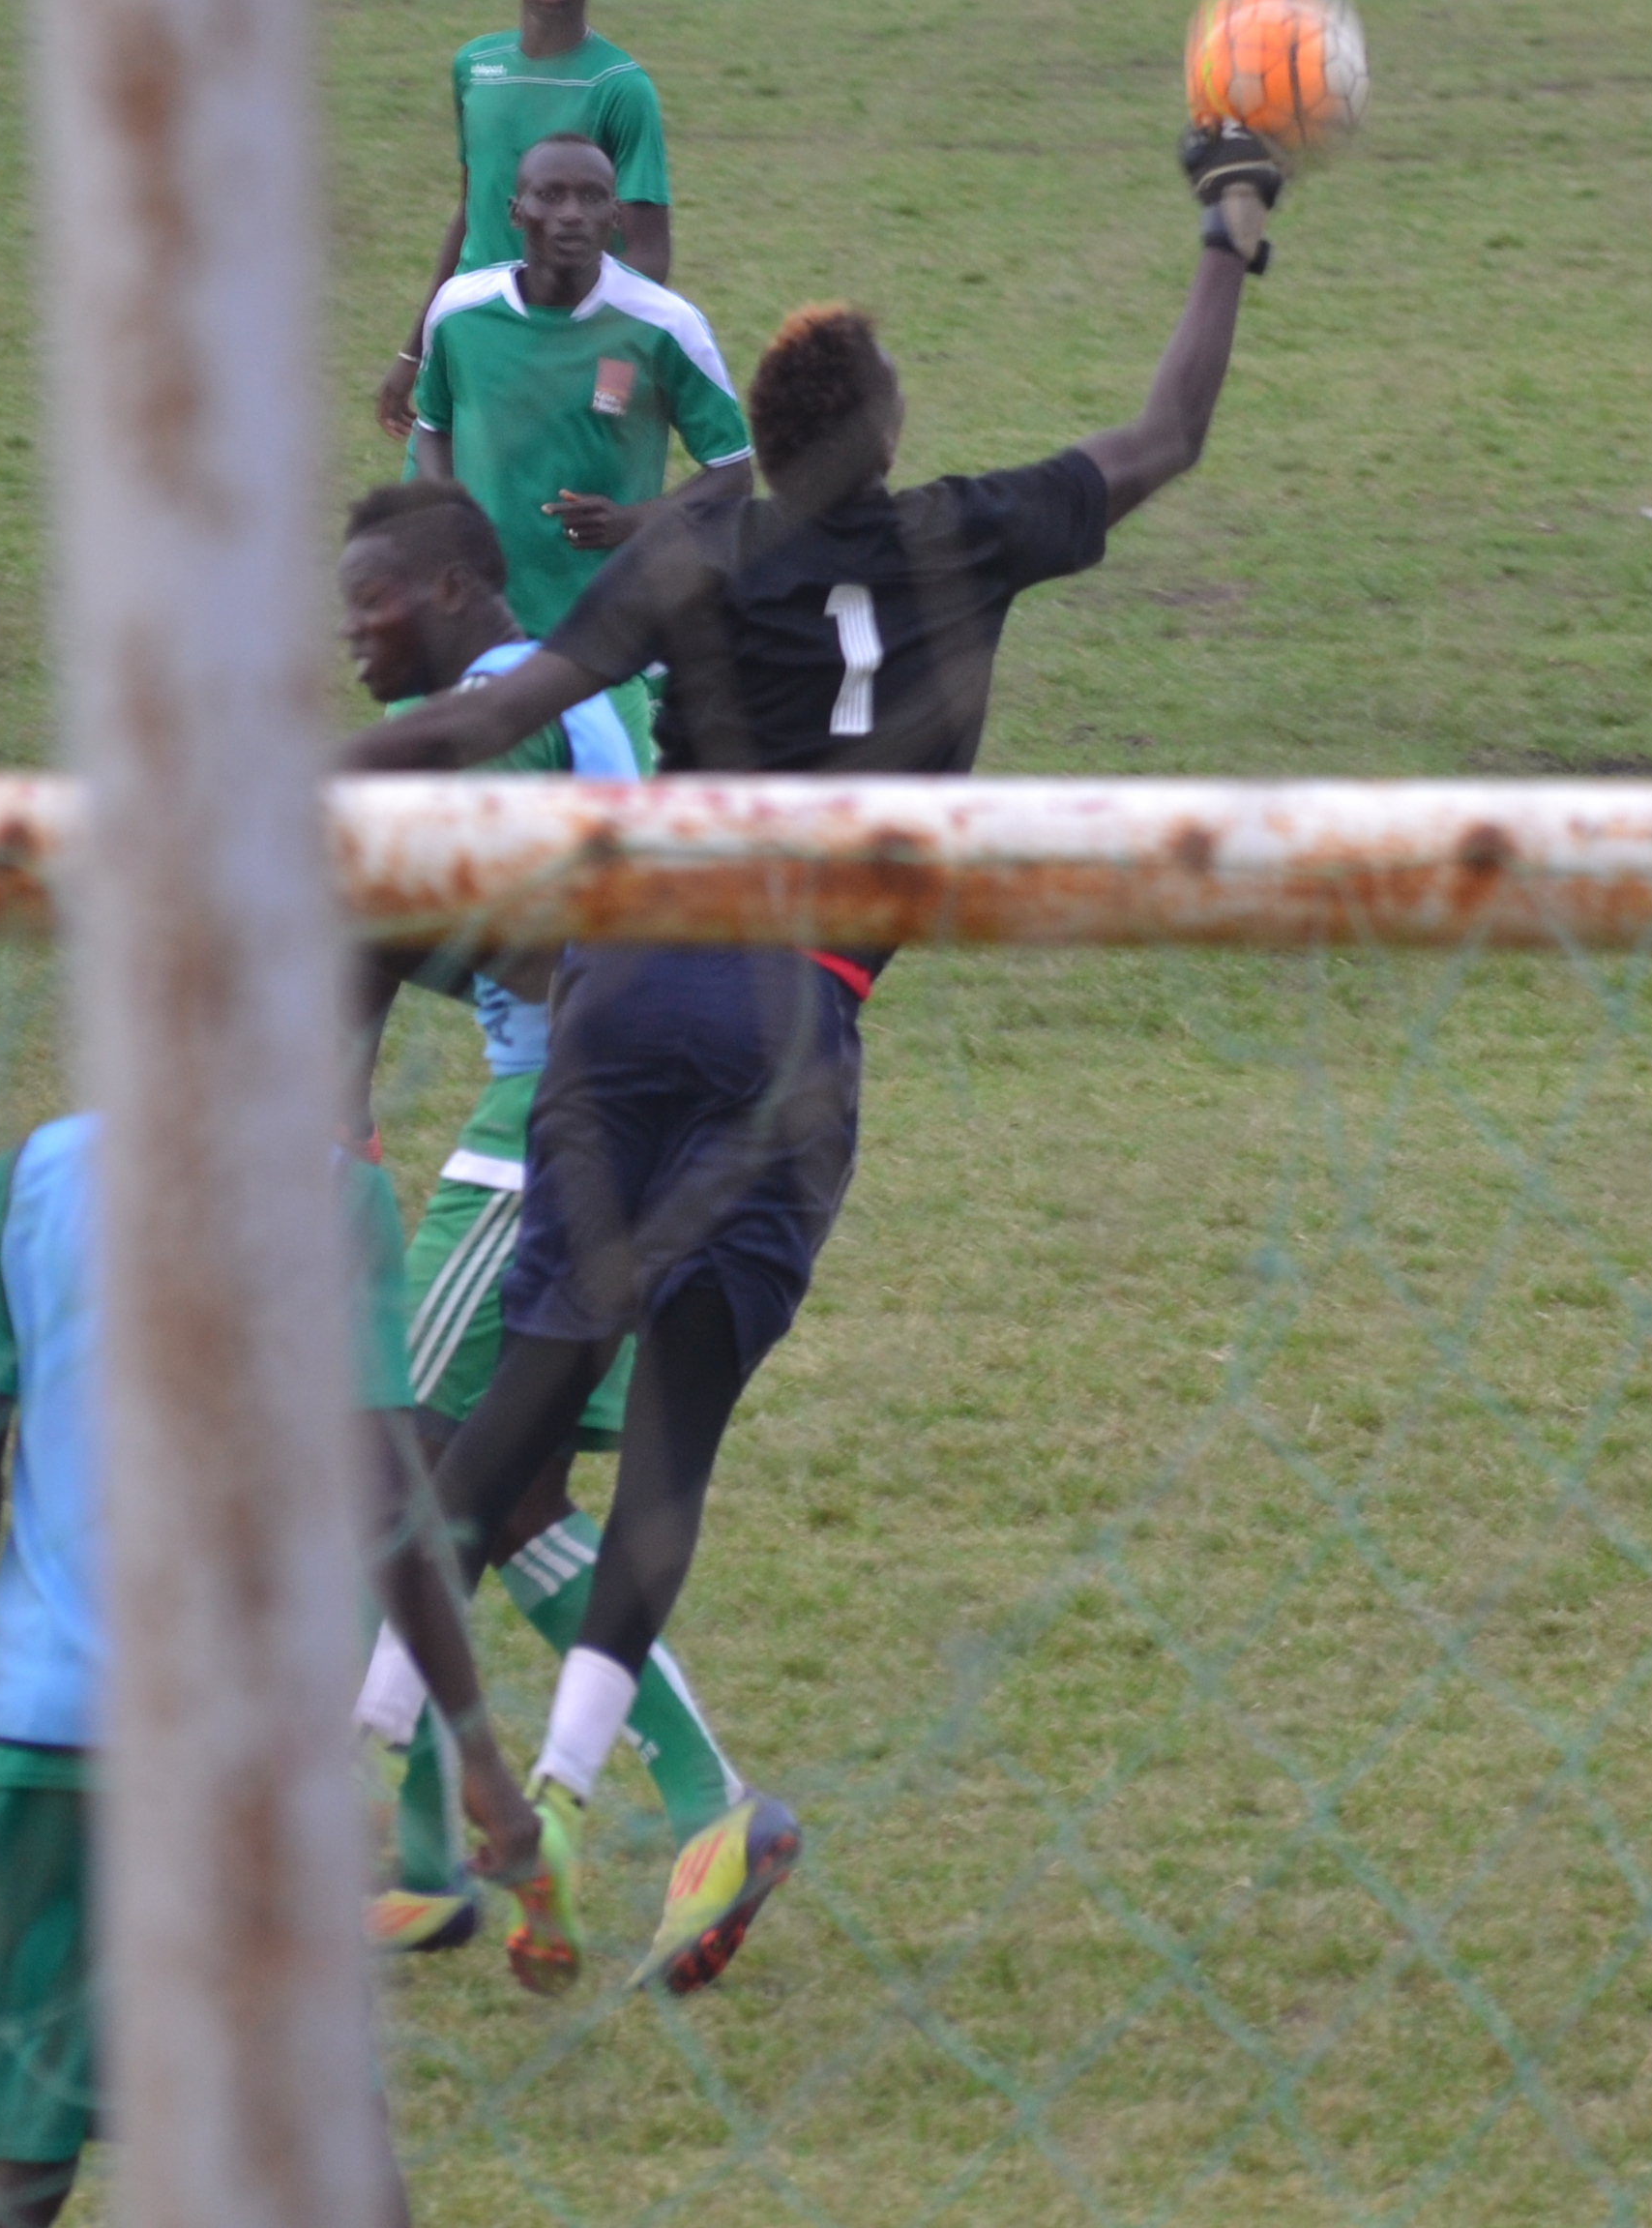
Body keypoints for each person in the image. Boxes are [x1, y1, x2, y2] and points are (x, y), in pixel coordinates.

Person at [339, 131, 1281, 1994]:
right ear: (887, 431)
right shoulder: (969, 531)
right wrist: (1227, 235)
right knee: (675, 1433)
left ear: (757, 447)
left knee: (511, 1414)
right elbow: (1165, 434)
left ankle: (377, 1764)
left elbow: (501, 705)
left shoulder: (693, 542)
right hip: (797, 1017)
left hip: (625, 1003)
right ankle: (578, 1778)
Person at [0, 1112, 542, 2216]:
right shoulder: (333, 1192)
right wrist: (477, 1751)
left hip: (48, 1742)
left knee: (19, 2166)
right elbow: (386, 1500)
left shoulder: (25, 1178)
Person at [331, 480, 759, 1975]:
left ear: (452, 591)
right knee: (497, 1495)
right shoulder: (536, 700)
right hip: (607, 1121)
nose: (352, 636)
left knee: (384, 1443)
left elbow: (554, 926)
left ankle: (408, 1812)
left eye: (370, 603)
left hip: (555, 1132)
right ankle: (681, 1812)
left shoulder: (507, 709)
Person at [407, 131, 756, 682]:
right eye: (550, 195)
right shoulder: (460, 312)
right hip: (486, 629)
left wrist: (632, 521)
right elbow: (432, 425)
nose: (572, 214)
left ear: (615, 215)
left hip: (615, 634)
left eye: (592, 198)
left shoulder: (666, 326)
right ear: (516, 211)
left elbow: (733, 472)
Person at [375, 0, 674, 443]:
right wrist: (412, 351)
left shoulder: (621, 88)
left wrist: (603, 370)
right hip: (477, 335)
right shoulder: (475, 67)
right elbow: (472, 212)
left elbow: (650, 254)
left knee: (566, 509)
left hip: (570, 344)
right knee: (442, 508)